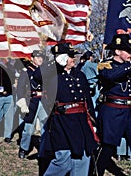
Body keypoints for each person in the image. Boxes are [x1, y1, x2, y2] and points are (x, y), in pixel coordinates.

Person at [38, 42, 98, 176]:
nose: (74, 59)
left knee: (83, 158)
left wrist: (94, 122)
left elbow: (87, 100)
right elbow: (37, 76)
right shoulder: (52, 75)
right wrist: (53, 64)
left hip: (81, 121)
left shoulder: (79, 75)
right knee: (63, 160)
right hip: (62, 122)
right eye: (70, 56)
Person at [95, 34, 131, 175]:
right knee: (108, 147)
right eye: (128, 51)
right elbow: (111, 76)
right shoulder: (106, 64)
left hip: (129, 111)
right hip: (113, 111)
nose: (130, 54)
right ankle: (96, 172)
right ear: (117, 51)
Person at [16, 50, 48, 159]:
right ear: (32, 58)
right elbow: (20, 88)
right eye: (37, 57)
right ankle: (24, 148)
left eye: (41, 57)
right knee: (28, 128)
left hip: (43, 101)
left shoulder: (44, 71)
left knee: (46, 126)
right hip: (31, 101)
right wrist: (22, 102)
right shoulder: (26, 71)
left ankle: (44, 149)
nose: (40, 59)